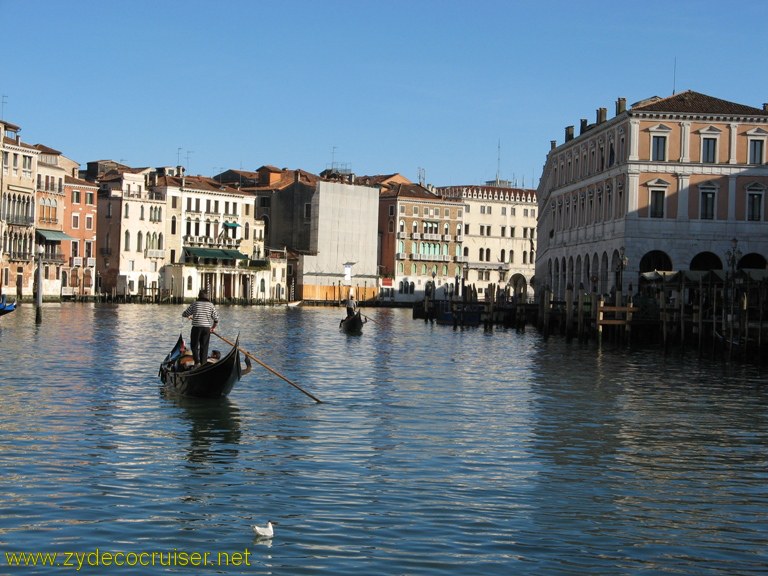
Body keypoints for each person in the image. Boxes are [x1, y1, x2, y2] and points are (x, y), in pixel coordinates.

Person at [182, 289, 219, 368]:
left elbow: (185, 313)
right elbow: (216, 319)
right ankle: (203, 364)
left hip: (196, 328)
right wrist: (212, 328)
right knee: (204, 346)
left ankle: (197, 362)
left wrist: (187, 315)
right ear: (207, 297)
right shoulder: (211, 305)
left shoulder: (195, 304)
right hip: (206, 329)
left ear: (199, 296)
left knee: (194, 346)